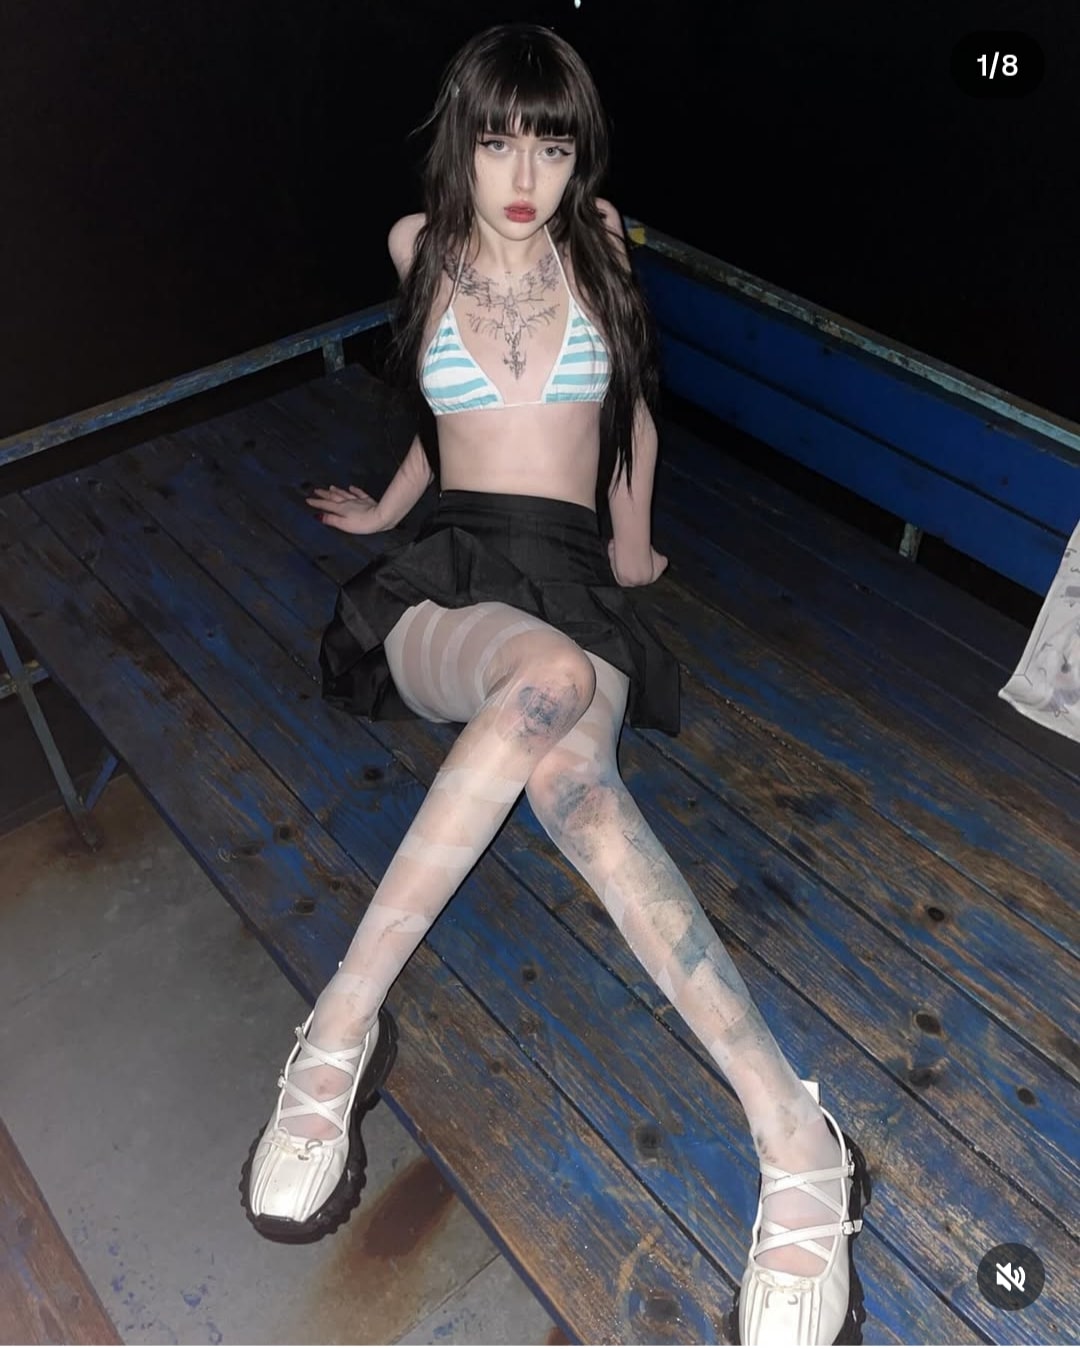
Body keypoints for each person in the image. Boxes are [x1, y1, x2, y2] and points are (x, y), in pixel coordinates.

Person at [239, 22, 869, 1346]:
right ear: (459, 140)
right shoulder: (417, 246)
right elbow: (437, 414)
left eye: (553, 143)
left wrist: (632, 541)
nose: (524, 174)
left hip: (573, 577)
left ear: (581, 156)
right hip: (448, 589)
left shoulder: (603, 246)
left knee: (577, 788)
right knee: (538, 680)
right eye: (497, 140)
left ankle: (796, 1136)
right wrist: (386, 514)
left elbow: (631, 408)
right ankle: (341, 1026)